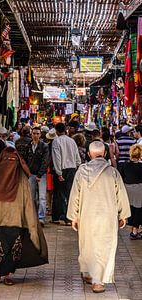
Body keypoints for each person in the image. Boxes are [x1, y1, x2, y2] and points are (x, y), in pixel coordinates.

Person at [0, 147, 48, 285]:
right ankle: (1, 273)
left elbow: (27, 201)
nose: (9, 164)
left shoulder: (9, 177)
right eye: (7, 160)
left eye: (13, 160)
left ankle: (6, 274)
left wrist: (29, 222)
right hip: (0, 223)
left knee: (10, 249)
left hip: (13, 222)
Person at [67, 141, 130, 293]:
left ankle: (89, 273)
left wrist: (74, 216)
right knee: (104, 248)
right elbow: (121, 195)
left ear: (89, 155)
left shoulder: (82, 172)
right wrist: (123, 215)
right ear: (105, 154)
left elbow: (75, 194)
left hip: (86, 216)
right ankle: (98, 281)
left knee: (87, 245)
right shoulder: (113, 172)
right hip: (107, 217)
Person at [52, 123, 81, 224]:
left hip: (62, 169)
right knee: (70, 193)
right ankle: (69, 217)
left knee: (59, 194)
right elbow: (77, 155)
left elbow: (57, 157)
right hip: (72, 169)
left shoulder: (56, 141)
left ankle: (59, 216)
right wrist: (77, 165)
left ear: (57, 131)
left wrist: (59, 172)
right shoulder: (72, 141)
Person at [25, 126, 50, 226]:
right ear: (31, 134)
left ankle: (41, 218)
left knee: (42, 197)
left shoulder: (44, 146)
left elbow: (45, 161)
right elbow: (26, 159)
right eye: (34, 133)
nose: (35, 135)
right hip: (31, 174)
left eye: (37, 134)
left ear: (40, 135)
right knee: (32, 197)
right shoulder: (28, 146)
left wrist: (40, 174)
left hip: (41, 175)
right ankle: (33, 216)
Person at [121, 144, 142, 239]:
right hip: (139, 188)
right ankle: (135, 230)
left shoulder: (125, 165)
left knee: (132, 209)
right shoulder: (141, 166)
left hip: (127, 188)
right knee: (138, 209)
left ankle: (133, 229)